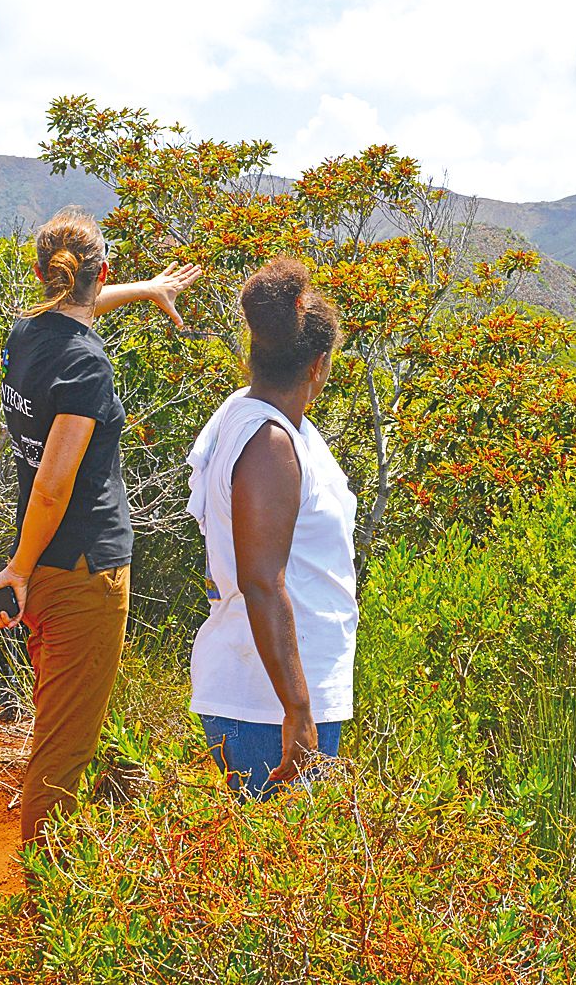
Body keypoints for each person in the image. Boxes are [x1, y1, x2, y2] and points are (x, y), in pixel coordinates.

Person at [0, 208, 199, 846]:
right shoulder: (89, 368)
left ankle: (49, 883)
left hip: (42, 564)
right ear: (101, 273)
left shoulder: (26, 336)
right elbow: (53, 480)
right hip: (81, 574)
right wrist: (15, 569)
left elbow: (78, 308)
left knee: (57, 725)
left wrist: (148, 291)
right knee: (67, 748)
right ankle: (45, 906)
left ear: (45, 276)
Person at [185, 258, 358, 797]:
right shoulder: (269, 443)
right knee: (280, 869)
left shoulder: (257, 418)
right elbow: (262, 580)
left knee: (271, 866)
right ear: (318, 366)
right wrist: (298, 710)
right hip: (266, 706)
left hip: (271, 696)